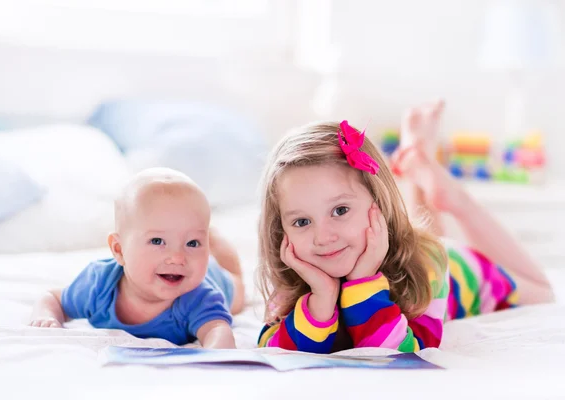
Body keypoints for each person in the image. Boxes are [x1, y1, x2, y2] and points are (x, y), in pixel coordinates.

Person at [256, 100, 553, 353]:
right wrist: (320, 299)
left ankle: (455, 198)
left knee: (543, 292)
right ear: (281, 231)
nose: (322, 237)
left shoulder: (428, 263)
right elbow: (274, 351)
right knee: (422, 231)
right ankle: (417, 161)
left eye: (340, 210)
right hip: (410, 244)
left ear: (378, 204)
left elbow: (405, 354)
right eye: (302, 221)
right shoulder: (298, 276)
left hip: (459, 272)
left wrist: (362, 281)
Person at [30, 168, 245, 349]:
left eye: (193, 243)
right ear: (119, 250)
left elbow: (218, 329)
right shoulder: (98, 285)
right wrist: (48, 317)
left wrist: (216, 349)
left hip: (215, 277)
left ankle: (219, 246)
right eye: (158, 241)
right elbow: (53, 298)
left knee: (237, 287)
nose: (177, 257)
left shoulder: (199, 296)